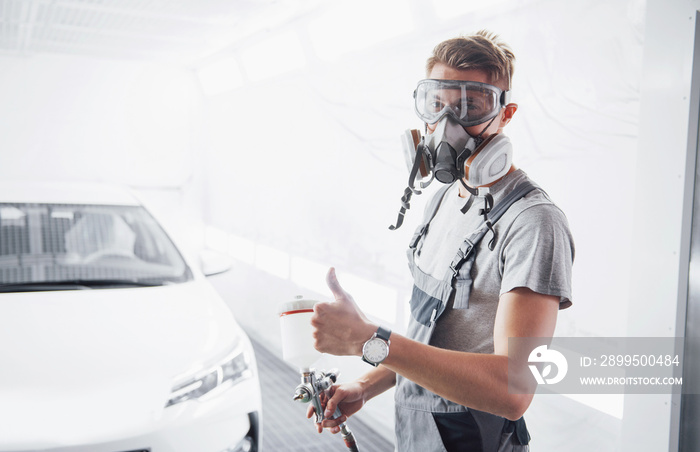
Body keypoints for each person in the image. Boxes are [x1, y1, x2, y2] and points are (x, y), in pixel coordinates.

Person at [309, 30, 574, 451]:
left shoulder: (533, 223)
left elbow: (513, 391)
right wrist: (366, 383)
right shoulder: (442, 199)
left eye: (472, 105)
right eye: (437, 104)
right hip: (419, 434)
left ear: (506, 114)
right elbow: (434, 338)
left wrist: (369, 340)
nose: (449, 124)